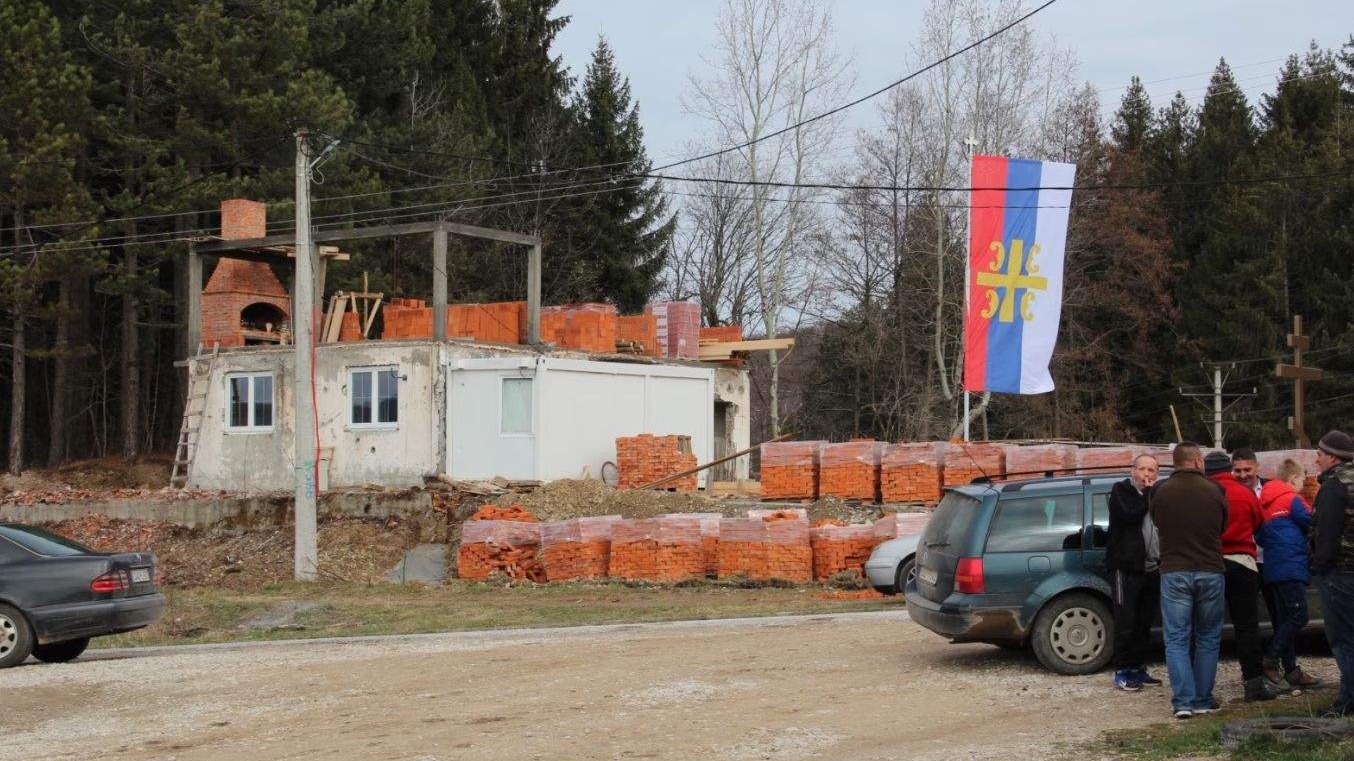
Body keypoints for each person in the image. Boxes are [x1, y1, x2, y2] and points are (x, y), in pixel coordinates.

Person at [1151, 442, 1229, 719]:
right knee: (1208, 637)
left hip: (1174, 570)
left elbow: (1157, 522)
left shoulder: (1160, 491)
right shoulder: (1215, 490)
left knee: (1176, 639)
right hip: (1209, 569)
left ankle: (1183, 702)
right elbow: (1223, 526)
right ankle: (1203, 699)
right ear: (1197, 460)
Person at [1204, 450, 1280, 702]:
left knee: (1206, 628)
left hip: (1210, 564)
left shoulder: (1202, 492)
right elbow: (1259, 523)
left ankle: (1203, 688)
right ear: (1229, 469)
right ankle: (1253, 684)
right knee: (1247, 627)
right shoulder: (1243, 493)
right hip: (1243, 563)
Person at [1256, 458, 1320, 689]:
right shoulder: (1292, 499)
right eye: (1302, 480)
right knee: (1299, 616)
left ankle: (1291, 670)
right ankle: (1270, 659)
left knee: (1284, 619)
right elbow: (1314, 522)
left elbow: (1261, 536)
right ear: (1293, 479)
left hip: (1273, 566)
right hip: (1292, 565)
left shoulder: (1265, 502)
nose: (1303, 484)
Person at [1108, 454, 1163, 691]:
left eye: (1151, 470)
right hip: (1126, 567)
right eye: (1142, 469)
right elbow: (1130, 515)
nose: (1147, 475)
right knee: (1126, 621)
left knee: (1144, 622)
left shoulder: (1158, 494)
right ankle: (1122, 671)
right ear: (1133, 471)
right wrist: (1149, 495)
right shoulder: (1121, 490)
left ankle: (1138, 668)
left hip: (1151, 568)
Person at [1311, 430, 1354, 717]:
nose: (1316, 460)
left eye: (1320, 454)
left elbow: (1326, 533)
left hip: (1340, 571)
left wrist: (1318, 565)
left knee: (1342, 637)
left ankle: (1348, 700)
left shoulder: (1334, 486)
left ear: (1333, 457)